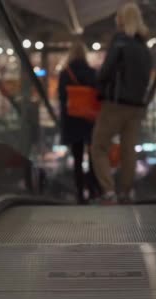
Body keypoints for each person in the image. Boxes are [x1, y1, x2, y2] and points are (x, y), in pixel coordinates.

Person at [91, 2, 152, 204]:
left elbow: (107, 71)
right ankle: (125, 193)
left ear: (121, 20)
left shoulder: (120, 41)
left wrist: (99, 86)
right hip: (137, 107)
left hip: (115, 105)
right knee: (128, 151)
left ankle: (109, 192)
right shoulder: (144, 47)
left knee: (99, 147)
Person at [58, 41, 102, 204]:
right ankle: (92, 189)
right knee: (93, 157)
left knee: (77, 159)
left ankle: (79, 194)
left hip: (72, 120)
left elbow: (62, 99)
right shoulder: (92, 73)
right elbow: (99, 96)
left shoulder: (65, 74)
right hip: (90, 120)